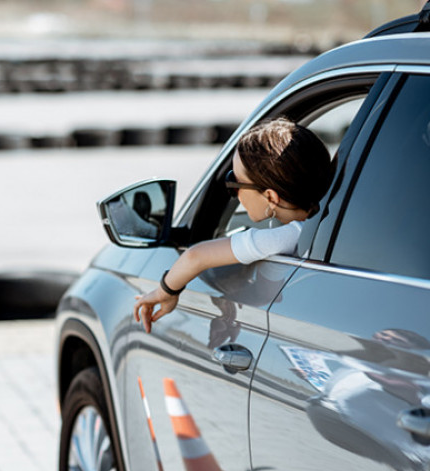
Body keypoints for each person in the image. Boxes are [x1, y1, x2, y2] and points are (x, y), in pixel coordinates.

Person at [133, 117, 333, 333]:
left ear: (270, 197)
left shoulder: (283, 238)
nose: (234, 194)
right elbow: (268, 293)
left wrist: (165, 292)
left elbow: (195, 256)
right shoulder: (321, 227)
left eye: (234, 184)